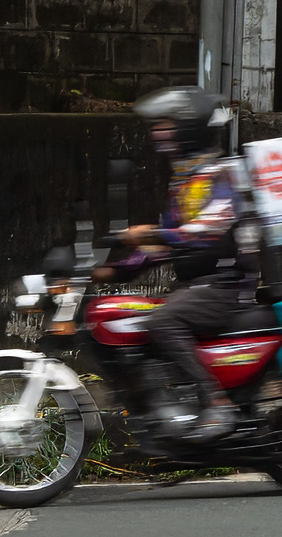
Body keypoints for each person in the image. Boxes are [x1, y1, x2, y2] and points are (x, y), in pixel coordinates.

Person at [99, 87, 255, 444]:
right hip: (194, 286)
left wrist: (149, 233)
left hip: (224, 285)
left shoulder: (220, 175)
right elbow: (159, 247)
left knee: (163, 320)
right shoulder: (184, 182)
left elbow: (206, 229)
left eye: (166, 125)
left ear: (190, 129)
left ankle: (217, 403)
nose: (158, 134)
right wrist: (112, 272)